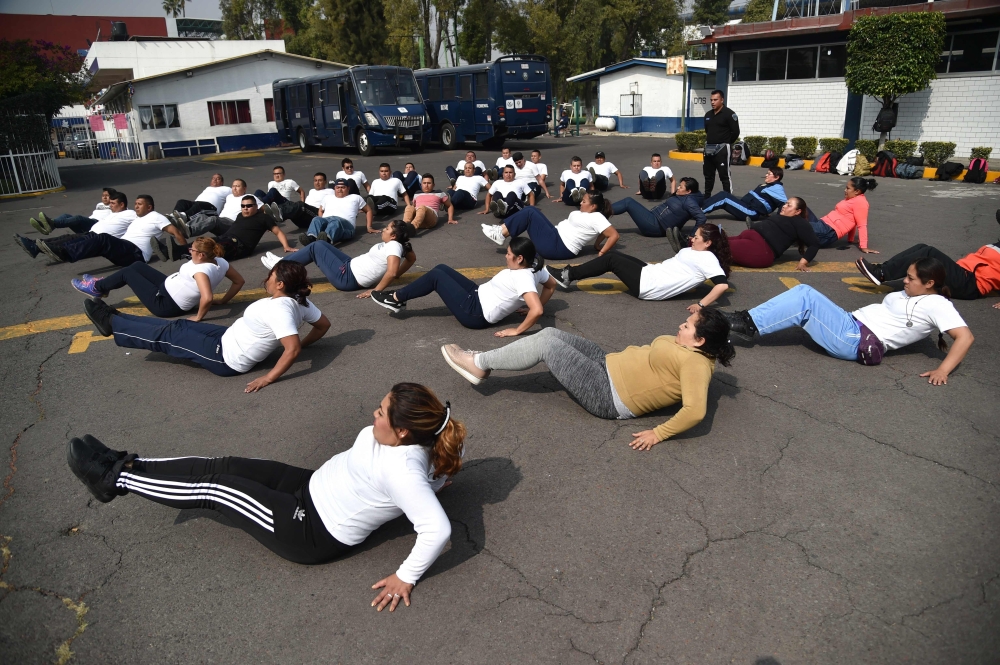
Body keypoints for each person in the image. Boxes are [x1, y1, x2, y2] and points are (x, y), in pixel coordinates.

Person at [65, 382, 464, 612]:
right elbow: (436, 476)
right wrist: (440, 483)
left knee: (215, 489)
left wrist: (404, 577)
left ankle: (112, 479)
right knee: (225, 464)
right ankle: (130, 464)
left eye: (381, 413)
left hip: (308, 530)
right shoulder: (421, 445)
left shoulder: (404, 469)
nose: (374, 414)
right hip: (308, 486)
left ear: (404, 433)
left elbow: (437, 529)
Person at [441, 308, 735, 449]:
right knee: (550, 334)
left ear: (700, 341)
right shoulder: (690, 345)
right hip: (605, 364)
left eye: (687, 326)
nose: (681, 325)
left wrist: (658, 433)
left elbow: (695, 410)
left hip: (607, 394)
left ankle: (479, 364)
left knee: (546, 345)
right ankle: (486, 361)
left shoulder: (697, 365)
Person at [81, 261, 331, 390]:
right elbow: (323, 325)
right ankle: (117, 316)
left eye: (272, 276)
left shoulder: (281, 308)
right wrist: (308, 344)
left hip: (226, 357)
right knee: (178, 325)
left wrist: (267, 378)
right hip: (228, 336)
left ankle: (111, 323)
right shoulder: (299, 301)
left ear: (279, 284)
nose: (267, 278)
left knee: (169, 335)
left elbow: (292, 348)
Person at [724, 258, 974, 384]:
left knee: (805, 296)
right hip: (850, 325)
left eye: (911, 278)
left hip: (856, 340)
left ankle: (746, 324)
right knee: (804, 296)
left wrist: (943, 370)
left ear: (930, 283)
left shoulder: (938, 304)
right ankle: (745, 320)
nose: (905, 281)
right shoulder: (913, 292)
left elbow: (965, 337)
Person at [371, 237, 556, 336]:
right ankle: (399, 299)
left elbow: (537, 310)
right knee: (441, 268)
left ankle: (396, 299)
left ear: (520, 258)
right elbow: (551, 285)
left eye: (508, 254)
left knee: (436, 276)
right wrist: (532, 304)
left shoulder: (522, 277)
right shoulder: (534, 267)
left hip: (475, 313)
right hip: (476, 294)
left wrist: (517, 330)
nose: (506, 256)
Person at [553, 223, 731, 306]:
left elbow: (722, 285)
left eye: (696, 237)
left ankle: (567, 275)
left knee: (611, 260)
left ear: (708, 243)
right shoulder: (698, 251)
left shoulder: (708, 259)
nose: (692, 238)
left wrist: (701, 305)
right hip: (652, 272)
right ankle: (569, 274)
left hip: (650, 285)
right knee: (616, 255)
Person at [71, 237, 246, 321]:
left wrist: (199, 317)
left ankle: (97, 288)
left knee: (127, 273)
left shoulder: (201, 271)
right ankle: (104, 286)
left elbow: (206, 297)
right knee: (137, 266)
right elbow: (239, 281)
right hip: (166, 286)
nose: (189, 251)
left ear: (200, 255)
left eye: (191, 250)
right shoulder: (220, 262)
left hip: (165, 304)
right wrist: (223, 301)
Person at [262, 220, 416, 298]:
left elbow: (392, 272)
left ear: (394, 236)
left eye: (387, 229)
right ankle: (284, 263)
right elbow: (411, 259)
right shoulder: (398, 244)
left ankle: (281, 265)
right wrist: (398, 275)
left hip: (347, 278)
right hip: (350, 266)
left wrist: (376, 290)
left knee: (316, 248)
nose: (384, 229)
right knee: (320, 243)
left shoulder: (394, 246)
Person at [29, 194, 185, 267]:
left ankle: (64, 253)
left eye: (140, 204)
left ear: (149, 207)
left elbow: (176, 233)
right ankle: (54, 249)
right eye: (135, 203)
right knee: (90, 238)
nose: (136, 206)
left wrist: (186, 251)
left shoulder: (157, 217)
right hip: (125, 249)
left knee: (102, 238)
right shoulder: (137, 218)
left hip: (136, 254)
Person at [482, 191, 618, 261]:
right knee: (533, 210)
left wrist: (602, 252)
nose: (581, 203)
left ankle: (501, 233)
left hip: (558, 247)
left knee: (530, 212)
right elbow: (603, 232)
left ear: (593, 206)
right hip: (555, 237)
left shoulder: (597, 217)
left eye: (584, 201)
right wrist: (596, 245)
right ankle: (501, 231)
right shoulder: (592, 215)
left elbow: (613, 235)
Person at [856, 240, 1000, 305]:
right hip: (962, 272)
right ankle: (882, 269)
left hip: (970, 284)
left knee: (929, 252)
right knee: (922, 247)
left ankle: (881, 273)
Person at [15, 192, 136, 259]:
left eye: (113, 203)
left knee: (67, 242)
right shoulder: (113, 213)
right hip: (91, 233)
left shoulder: (130, 214)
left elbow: (144, 223)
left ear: (122, 204)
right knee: (65, 238)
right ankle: (34, 245)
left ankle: (40, 247)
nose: (110, 205)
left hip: (98, 238)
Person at [611, 177, 705, 248]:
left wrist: (692, 236)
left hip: (655, 226)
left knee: (628, 202)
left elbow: (701, 218)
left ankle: (601, 211)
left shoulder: (689, 202)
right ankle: (601, 211)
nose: (678, 187)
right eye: (679, 185)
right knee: (629, 202)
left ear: (688, 191)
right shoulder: (688, 197)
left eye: (681, 187)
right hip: (653, 219)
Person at [728, 197, 819, 270]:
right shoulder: (781, 217)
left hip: (760, 248)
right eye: (785, 203)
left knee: (718, 244)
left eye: (789, 205)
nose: (784, 206)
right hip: (748, 239)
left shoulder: (800, 223)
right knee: (717, 237)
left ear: (797, 211)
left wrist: (803, 263)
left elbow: (814, 244)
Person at [205, 196, 294, 261]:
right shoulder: (240, 215)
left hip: (239, 245)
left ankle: (202, 258)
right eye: (243, 206)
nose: (245, 208)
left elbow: (278, 232)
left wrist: (286, 246)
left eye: (249, 206)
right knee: (200, 243)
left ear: (256, 206)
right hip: (225, 238)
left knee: (213, 249)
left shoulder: (264, 217)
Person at [179, 180, 270, 239]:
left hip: (232, 224)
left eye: (238, 186)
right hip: (222, 222)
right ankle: (185, 228)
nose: (234, 188)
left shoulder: (249, 198)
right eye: (233, 186)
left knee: (213, 219)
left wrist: (267, 224)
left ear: (244, 188)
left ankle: (190, 231)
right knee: (203, 216)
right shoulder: (229, 197)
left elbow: (263, 208)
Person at [809, 176, 878, 253]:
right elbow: (852, 219)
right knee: (800, 206)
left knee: (795, 222)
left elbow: (861, 225)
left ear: (857, 191)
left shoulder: (861, 203)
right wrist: (850, 239)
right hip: (822, 225)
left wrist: (864, 247)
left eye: (848, 188)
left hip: (826, 233)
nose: (845, 190)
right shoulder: (852, 199)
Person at [300, 178, 373, 245]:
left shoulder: (356, 197)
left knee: (335, 222)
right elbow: (320, 210)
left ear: (348, 188)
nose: (340, 190)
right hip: (328, 220)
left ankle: (326, 240)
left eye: (343, 187)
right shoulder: (327, 197)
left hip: (346, 226)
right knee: (316, 219)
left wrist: (369, 227)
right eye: (338, 187)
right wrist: (322, 221)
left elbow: (368, 210)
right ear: (334, 188)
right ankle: (311, 238)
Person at [701, 167, 787, 222]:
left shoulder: (777, 187)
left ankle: (698, 212)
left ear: (776, 177)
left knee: (724, 197)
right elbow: (767, 200)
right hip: (746, 206)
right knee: (724, 195)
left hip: (750, 212)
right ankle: (698, 206)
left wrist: (777, 220)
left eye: (769, 174)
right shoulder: (769, 185)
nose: (766, 175)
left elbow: (783, 203)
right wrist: (766, 212)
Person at [30, 187, 117, 234]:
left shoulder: (116, 206)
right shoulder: (99, 204)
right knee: (65, 216)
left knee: (78, 218)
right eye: (103, 195)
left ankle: (51, 224)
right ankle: (48, 227)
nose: (104, 197)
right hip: (88, 224)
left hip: (98, 225)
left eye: (107, 195)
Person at [702, 89, 740, 197]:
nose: (713, 102)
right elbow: (707, 130)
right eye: (711, 100)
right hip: (709, 148)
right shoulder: (708, 115)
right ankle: (707, 196)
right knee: (708, 175)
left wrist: (726, 143)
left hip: (722, 149)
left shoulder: (729, 114)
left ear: (722, 100)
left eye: (715, 100)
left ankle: (728, 197)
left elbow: (736, 132)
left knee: (724, 174)